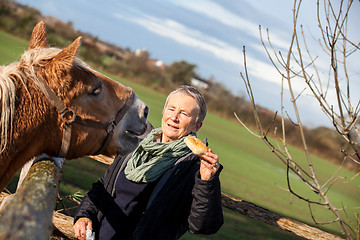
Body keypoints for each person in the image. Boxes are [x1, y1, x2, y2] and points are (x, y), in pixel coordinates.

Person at [73, 85, 223, 240]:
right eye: (171, 109)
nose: (174, 117)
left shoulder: (194, 167)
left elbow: (203, 225)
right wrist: (84, 215)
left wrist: (207, 183)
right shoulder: (136, 145)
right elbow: (105, 186)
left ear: (197, 125)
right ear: (164, 112)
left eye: (184, 113)